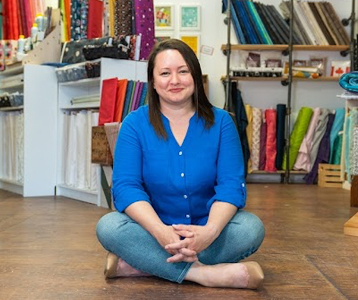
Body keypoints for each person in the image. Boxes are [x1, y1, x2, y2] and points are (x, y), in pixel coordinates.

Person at [95, 39, 266, 289]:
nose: (174, 80)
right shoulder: (134, 124)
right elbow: (126, 187)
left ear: (194, 76)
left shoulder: (222, 123)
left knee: (251, 229)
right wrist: (161, 232)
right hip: (152, 230)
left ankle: (142, 264)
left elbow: (231, 186)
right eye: (165, 73)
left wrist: (208, 232)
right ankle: (203, 274)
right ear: (153, 82)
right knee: (109, 226)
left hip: (205, 227)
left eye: (183, 71)